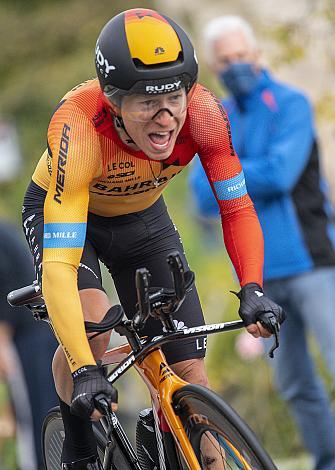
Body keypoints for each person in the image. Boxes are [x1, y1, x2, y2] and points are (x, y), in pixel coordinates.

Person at [21, 8, 284, 469]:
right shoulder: (80, 129)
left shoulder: (203, 115)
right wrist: (85, 370)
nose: (166, 118)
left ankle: (176, 440)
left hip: (143, 218)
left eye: (174, 97)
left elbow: (237, 208)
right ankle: (79, 447)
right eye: (147, 102)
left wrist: (253, 287)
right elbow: (61, 267)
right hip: (71, 219)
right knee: (96, 329)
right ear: (114, 100)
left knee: (191, 374)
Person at [188, 15, 335, 470]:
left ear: (257, 55)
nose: (235, 66)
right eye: (225, 61)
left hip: (312, 262)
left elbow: (284, 171)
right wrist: (242, 172)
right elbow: (198, 192)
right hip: (260, 277)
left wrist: (227, 172)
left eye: (241, 56)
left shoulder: (290, 104)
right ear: (214, 67)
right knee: (294, 382)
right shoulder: (216, 116)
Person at [0, 219, 58, 469]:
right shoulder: (6, 232)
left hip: (27, 336)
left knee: (35, 418)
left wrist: (2, 341)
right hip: (42, 329)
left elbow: (8, 281)